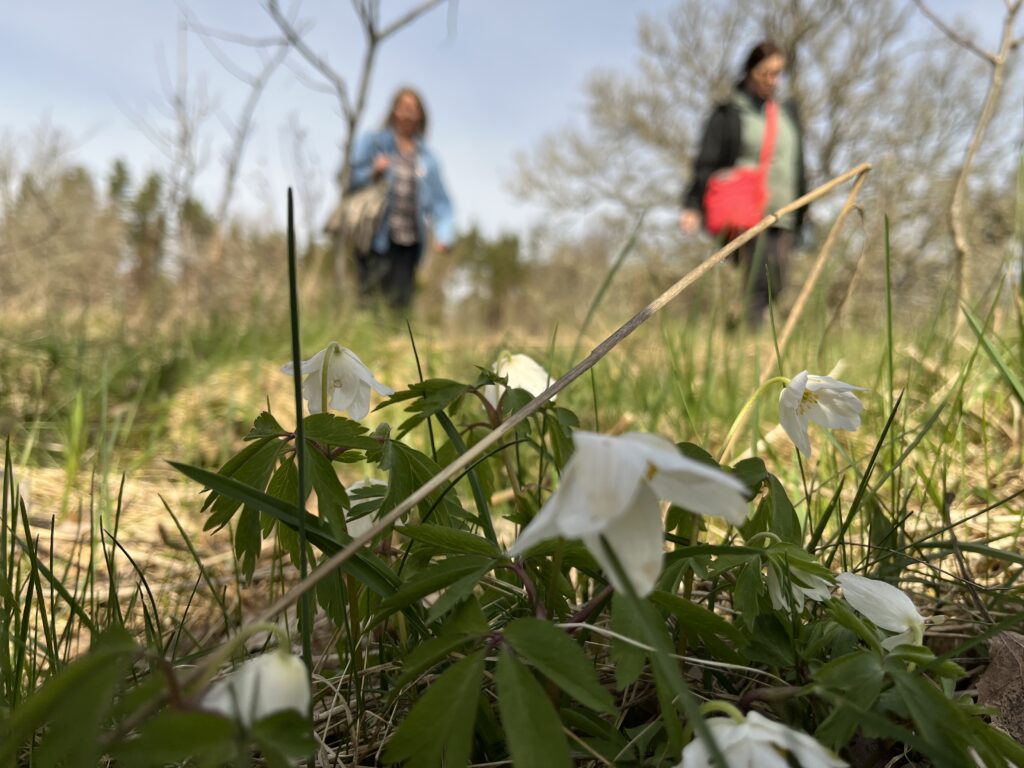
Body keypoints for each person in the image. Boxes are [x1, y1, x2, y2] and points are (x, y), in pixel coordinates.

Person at [679, 41, 807, 326]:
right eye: (766, 73)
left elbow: (798, 165)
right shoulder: (729, 113)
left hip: (786, 210)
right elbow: (706, 160)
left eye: (778, 74)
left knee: (779, 282)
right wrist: (691, 204)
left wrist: (805, 211)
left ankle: (738, 326)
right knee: (759, 279)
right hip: (748, 211)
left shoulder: (787, 113)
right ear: (749, 71)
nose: (772, 80)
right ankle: (748, 345)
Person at [348, 87, 454, 311]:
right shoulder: (374, 143)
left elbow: (441, 202)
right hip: (376, 236)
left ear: (421, 116)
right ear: (394, 111)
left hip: (410, 242)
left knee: (399, 306)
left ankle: (395, 344)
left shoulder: (428, 159)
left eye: (414, 109)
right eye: (404, 108)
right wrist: (373, 173)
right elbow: (347, 179)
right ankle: (365, 342)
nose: (408, 114)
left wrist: (444, 234)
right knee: (368, 302)